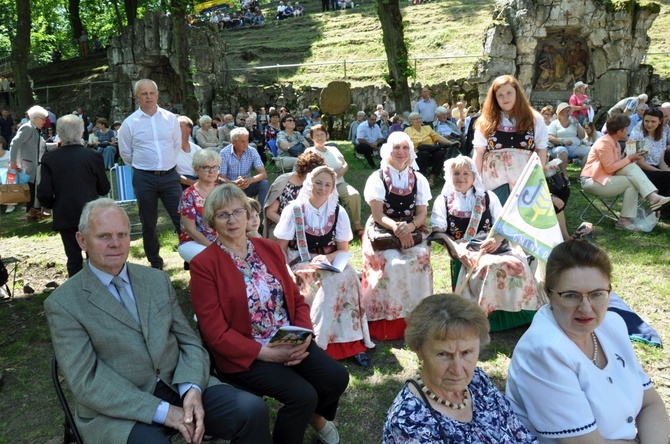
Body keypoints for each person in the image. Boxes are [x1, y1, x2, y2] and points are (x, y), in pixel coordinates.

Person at [44, 198, 271, 444]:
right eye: (104, 236)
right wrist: (161, 411)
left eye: (122, 234)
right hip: (121, 407)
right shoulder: (64, 303)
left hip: (180, 384)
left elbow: (190, 342)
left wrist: (192, 389)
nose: (116, 244)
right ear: (81, 240)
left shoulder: (156, 280)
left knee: (252, 410)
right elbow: (87, 381)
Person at [189, 184, 349, 444]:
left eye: (237, 211)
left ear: (247, 213)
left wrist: (304, 336)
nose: (232, 220)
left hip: (287, 339)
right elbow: (214, 333)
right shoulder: (204, 265)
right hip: (246, 353)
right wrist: (266, 353)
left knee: (336, 377)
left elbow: (296, 299)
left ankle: (314, 416)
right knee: (303, 396)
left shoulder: (269, 249)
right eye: (222, 215)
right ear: (212, 221)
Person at [506, 240, 670, 443]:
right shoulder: (544, 351)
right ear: (548, 294)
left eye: (597, 294)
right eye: (571, 296)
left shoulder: (612, 325)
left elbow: (650, 404)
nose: (586, 307)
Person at [384, 294, 539, 443]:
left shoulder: (477, 380)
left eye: (466, 352)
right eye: (443, 354)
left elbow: (518, 432)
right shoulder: (408, 422)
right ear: (419, 351)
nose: (458, 370)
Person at [275, 166, 374, 365]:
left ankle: (352, 342)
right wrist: (287, 272)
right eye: (318, 183)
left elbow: (343, 250)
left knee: (350, 277)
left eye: (327, 184)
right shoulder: (294, 210)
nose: (322, 188)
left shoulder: (338, 211)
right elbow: (280, 250)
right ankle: (320, 343)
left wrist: (327, 260)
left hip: (329, 263)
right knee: (328, 283)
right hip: (299, 263)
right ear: (309, 183)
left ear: (332, 188)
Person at [430, 156, 543, 328]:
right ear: (449, 176)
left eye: (466, 173)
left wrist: (497, 239)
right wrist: (457, 250)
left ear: (474, 176)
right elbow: (438, 232)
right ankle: (484, 317)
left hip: (493, 246)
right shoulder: (443, 200)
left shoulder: (488, 197)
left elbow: (503, 226)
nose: (461, 178)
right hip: (464, 247)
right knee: (488, 267)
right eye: (456, 173)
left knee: (516, 263)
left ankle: (518, 313)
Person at [361, 131, 433, 341]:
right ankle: (389, 320)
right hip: (383, 230)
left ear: (410, 151)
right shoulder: (378, 177)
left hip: (411, 230)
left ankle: (419, 317)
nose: (401, 152)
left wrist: (408, 228)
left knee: (420, 258)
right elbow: (377, 214)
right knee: (392, 263)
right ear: (388, 151)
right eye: (396, 148)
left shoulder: (418, 179)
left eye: (405, 148)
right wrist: (397, 229)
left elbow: (421, 214)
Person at [118, 79, 182, 270]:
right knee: (148, 221)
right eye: (143, 94)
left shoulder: (171, 119)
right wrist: (142, 167)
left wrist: (165, 164)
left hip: (170, 176)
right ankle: (155, 262)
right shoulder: (129, 123)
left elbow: (176, 145)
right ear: (137, 97)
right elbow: (126, 153)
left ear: (157, 95)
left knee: (182, 218)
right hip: (144, 177)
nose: (148, 97)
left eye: (151, 93)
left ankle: (190, 256)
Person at [37, 115, 111, 277]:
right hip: (90, 213)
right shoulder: (93, 156)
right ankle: (101, 291)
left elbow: (44, 193)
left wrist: (53, 204)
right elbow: (104, 188)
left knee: (73, 259)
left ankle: (76, 296)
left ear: (59, 133)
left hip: (65, 212)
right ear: (81, 132)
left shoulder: (50, 158)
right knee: (95, 257)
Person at [580, 114, 670, 231]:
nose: (628, 130)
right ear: (619, 131)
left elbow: (615, 166)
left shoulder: (615, 142)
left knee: (632, 170)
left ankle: (651, 198)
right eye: (626, 129)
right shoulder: (604, 143)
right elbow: (609, 168)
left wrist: (631, 159)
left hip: (604, 178)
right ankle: (628, 217)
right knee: (631, 181)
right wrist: (629, 158)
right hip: (592, 181)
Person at [472, 75, 548, 203]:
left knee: (523, 218)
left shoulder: (534, 119)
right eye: (500, 95)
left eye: (509, 93)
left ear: (517, 94)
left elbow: (541, 149)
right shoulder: (485, 122)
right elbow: (479, 152)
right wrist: (476, 180)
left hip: (525, 179)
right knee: (496, 217)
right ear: (494, 98)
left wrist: (537, 176)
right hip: (494, 181)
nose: (505, 98)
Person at [305, 124, 363, 236]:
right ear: (312, 138)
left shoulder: (333, 149)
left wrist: (340, 173)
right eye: (316, 135)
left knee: (354, 195)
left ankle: (357, 226)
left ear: (326, 136)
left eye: (322, 134)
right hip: (321, 186)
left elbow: (345, 164)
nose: (320, 137)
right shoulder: (309, 151)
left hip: (339, 182)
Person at [9, 105, 58, 220]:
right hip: (28, 165)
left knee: (35, 188)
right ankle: (33, 211)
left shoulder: (35, 129)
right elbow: (14, 143)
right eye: (43, 119)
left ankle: (36, 210)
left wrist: (56, 145)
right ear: (35, 118)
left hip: (36, 164)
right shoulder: (27, 128)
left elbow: (40, 146)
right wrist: (13, 162)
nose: (45, 121)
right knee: (31, 189)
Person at [263, 151, 325, 240]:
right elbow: (270, 213)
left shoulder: (318, 185)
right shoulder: (284, 182)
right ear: (302, 170)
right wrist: (292, 226)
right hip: (282, 226)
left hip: (310, 228)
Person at [177, 149, 221, 263]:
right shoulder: (188, 194)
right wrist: (214, 248)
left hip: (220, 239)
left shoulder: (221, 191)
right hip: (192, 241)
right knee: (214, 260)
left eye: (215, 167)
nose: (212, 171)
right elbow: (190, 230)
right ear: (196, 169)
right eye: (206, 167)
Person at [218, 126, 269, 210]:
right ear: (233, 142)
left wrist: (250, 180)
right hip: (230, 187)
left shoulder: (252, 151)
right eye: (242, 141)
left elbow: (263, 174)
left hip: (247, 185)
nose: (246, 144)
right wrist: (234, 183)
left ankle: (262, 212)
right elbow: (220, 178)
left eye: (247, 140)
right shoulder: (224, 153)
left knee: (264, 183)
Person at [404, 111, 457, 187]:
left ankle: (431, 179)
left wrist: (450, 143)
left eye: (420, 118)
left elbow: (438, 137)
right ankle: (420, 178)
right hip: (417, 154)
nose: (419, 120)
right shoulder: (407, 130)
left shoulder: (427, 128)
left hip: (431, 152)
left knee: (440, 154)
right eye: (416, 119)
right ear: (411, 121)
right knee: (424, 152)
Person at [629, 107, 670, 195]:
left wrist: (665, 170)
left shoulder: (662, 135)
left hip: (655, 168)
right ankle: (663, 206)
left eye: (653, 121)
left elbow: (661, 161)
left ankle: (663, 206)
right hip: (639, 170)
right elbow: (640, 163)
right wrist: (661, 172)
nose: (649, 124)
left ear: (660, 121)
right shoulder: (638, 135)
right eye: (646, 121)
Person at [548, 102, 589, 177]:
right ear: (560, 113)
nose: (569, 113)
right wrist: (563, 141)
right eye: (566, 111)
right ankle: (565, 177)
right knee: (562, 150)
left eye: (569, 111)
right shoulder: (555, 123)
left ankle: (582, 175)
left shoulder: (574, 122)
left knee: (590, 150)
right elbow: (550, 137)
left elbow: (582, 136)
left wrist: (577, 124)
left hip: (575, 148)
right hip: (560, 147)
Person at [176, 116, 201, 190]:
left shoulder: (197, 149)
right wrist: (192, 183)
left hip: (197, 181)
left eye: (179, 126)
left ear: (188, 130)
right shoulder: (169, 149)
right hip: (178, 183)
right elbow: (171, 173)